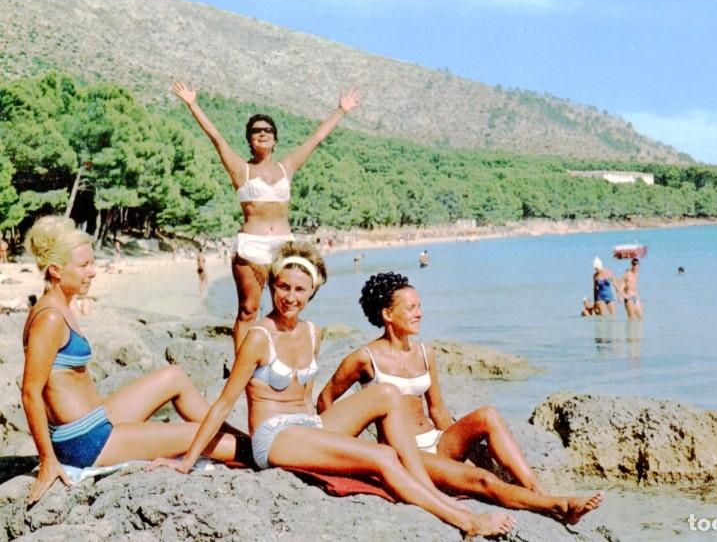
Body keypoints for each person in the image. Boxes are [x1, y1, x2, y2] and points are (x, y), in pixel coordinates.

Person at [152, 242, 514, 538]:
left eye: (299, 289)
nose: (290, 297)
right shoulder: (258, 338)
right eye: (282, 287)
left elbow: (310, 400)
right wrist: (186, 463)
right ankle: (464, 520)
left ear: (312, 291)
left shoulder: (313, 332)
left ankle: (430, 492)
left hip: (307, 425)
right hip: (275, 437)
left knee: (387, 395)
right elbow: (223, 403)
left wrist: (326, 433)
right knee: (382, 458)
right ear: (272, 285)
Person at [318, 272, 603, 525]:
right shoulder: (364, 358)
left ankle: (538, 493)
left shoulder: (424, 352)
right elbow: (325, 400)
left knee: (488, 415)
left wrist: (458, 453)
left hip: (437, 442)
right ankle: (560, 506)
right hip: (407, 452)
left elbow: (438, 408)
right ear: (388, 315)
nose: (420, 313)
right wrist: (351, 452)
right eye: (411, 308)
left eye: (420, 306)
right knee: (482, 480)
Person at [20, 216, 246, 505]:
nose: (93, 272)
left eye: (92, 263)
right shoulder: (49, 317)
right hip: (86, 443)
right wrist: (48, 460)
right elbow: (30, 392)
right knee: (195, 436)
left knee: (173, 376)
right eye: (84, 265)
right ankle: (266, 453)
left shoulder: (61, 305)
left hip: (96, 420)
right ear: (55, 270)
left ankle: (249, 441)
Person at [172, 81, 360, 351]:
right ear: (249, 139)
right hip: (251, 246)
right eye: (256, 131)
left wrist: (341, 110)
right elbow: (216, 138)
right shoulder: (241, 170)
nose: (262, 134)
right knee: (249, 310)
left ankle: (278, 357)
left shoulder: (287, 168)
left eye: (267, 130)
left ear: (275, 139)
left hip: (284, 247)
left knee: (284, 308)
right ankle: (243, 366)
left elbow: (316, 139)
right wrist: (192, 104)